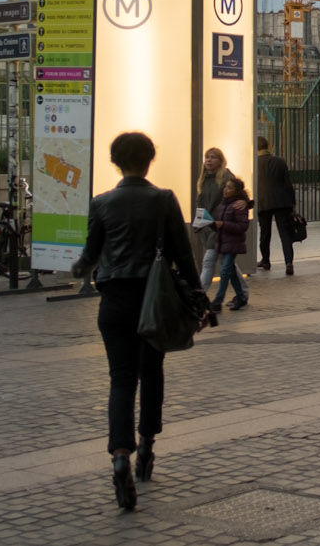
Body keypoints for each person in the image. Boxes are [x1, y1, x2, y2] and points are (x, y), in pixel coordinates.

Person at [72, 132, 211, 511]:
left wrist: (80, 266)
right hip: (153, 302)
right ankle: (147, 446)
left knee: (121, 380)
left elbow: (88, 255)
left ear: (115, 162)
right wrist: (201, 303)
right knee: (152, 373)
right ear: (150, 160)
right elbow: (184, 257)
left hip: (114, 303)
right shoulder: (163, 199)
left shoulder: (101, 203)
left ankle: (120, 455)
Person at [207, 175, 252, 311]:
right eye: (225, 187)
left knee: (225, 270)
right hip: (222, 242)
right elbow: (218, 222)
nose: (225, 190)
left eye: (229, 188)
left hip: (233, 243)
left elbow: (242, 226)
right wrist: (212, 224)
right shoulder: (223, 203)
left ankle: (218, 300)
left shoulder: (239, 205)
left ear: (236, 191)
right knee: (230, 270)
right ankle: (241, 297)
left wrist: (223, 225)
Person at [253, 137, 296, 276]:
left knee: (265, 233)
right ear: (268, 146)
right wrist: (292, 203)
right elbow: (288, 184)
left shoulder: (254, 163)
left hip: (263, 202)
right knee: (284, 232)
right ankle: (288, 262)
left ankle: (266, 260)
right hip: (282, 202)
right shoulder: (280, 161)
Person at [194, 148, 234, 292]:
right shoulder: (204, 180)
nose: (208, 160)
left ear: (220, 161)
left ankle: (200, 294)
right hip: (209, 226)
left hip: (220, 226)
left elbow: (236, 197)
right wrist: (199, 222)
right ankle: (243, 293)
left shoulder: (226, 178)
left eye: (213, 157)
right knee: (226, 263)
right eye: (206, 157)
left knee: (208, 261)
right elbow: (201, 202)